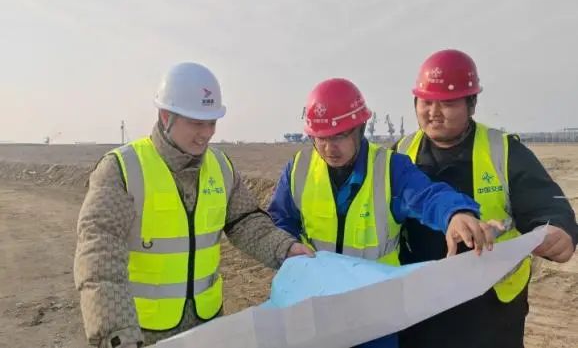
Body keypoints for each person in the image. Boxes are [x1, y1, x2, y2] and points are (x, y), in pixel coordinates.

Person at [74, 62, 312, 348]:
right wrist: (116, 334)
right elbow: (99, 258)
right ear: (166, 116)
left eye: (212, 122)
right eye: (196, 123)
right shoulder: (122, 170)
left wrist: (285, 248)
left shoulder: (220, 167)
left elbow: (246, 222)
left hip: (208, 327)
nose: (207, 133)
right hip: (143, 334)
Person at [268, 77, 499, 348]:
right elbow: (280, 220)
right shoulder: (299, 169)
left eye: (340, 136)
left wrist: (455, 213)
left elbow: (427, 195)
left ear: (360, 129)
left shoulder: (390, 169)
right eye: (321, 138)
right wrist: (288, 250)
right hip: (317, 309)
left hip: (375, 315)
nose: (330, 148)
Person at [396, 49, 578, 348]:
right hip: (421, 309)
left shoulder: (504, 151)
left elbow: (546, 203)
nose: (434, 112)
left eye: (447, 103)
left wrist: (560, 229)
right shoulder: (400, 154)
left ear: (471, 104)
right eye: (426, 102)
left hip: (490, 312)